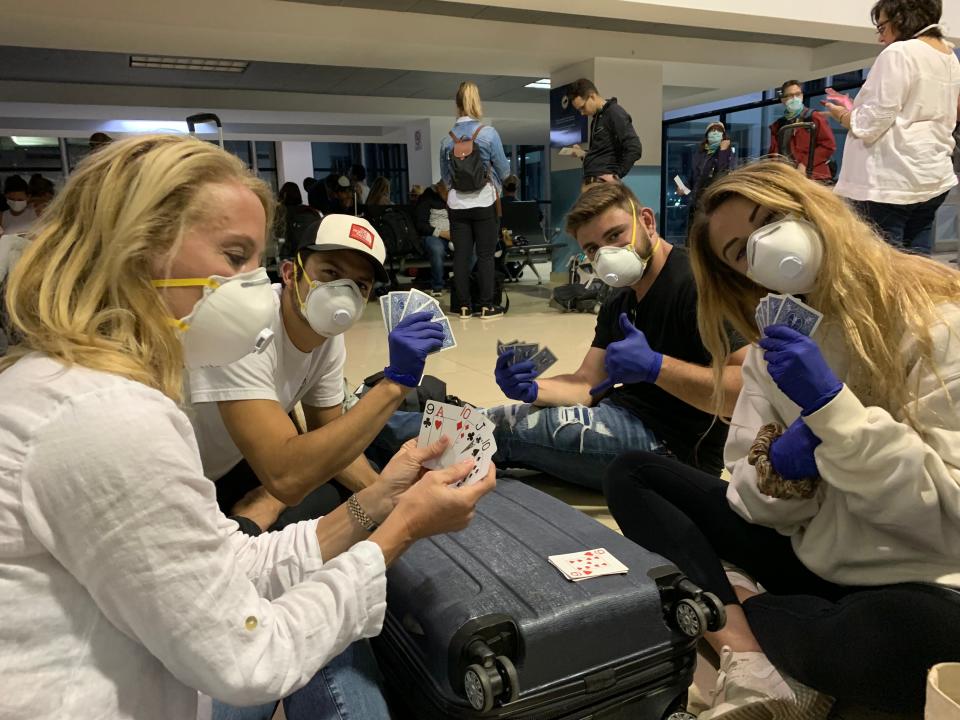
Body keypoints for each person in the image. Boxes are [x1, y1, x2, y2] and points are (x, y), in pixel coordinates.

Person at [0, 134, 495, 720]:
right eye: (234, 256)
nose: (250, 288)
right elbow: (247, 655)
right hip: (166, 660)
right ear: (135, 249)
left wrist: (387, 495)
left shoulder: (86, 388)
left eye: (253, 262)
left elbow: (231, 554)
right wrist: (399, 527)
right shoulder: (105, 416)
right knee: (308, 532)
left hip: (170, 606)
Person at [605, 159, 960, 717]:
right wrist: (783, 469)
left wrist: (835, 413)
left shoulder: (934, 318)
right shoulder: (773, 349)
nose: (767, 247)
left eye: (771, 218)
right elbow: (746, 494)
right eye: (741, 252)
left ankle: (739, 606)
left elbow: (945, 515)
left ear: (813, 207)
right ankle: (752, 657)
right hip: (815, 552)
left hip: (915, 572)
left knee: (909, 638)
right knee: (634, 474)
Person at [188, 213, 453, 720]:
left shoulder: (327, 338)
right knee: (310, 506)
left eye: (360, 284)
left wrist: (392, 497)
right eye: (330, 275)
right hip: (199, 487)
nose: (344, 294)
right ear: (291, 272)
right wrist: (393, 385)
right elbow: (286, 473)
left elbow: (331, 441)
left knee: (336, 504)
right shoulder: (243, 327)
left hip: (247, 464)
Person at [379, 184, 746, 488]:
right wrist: (534, 390)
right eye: (592, 249)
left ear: (646, 221)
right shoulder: (620, 296)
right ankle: (371, 425)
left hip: (673, 452)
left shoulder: (698, 284)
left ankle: (370, 436)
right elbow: (588, 383)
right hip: (619, 414)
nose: (607, 254)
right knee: (490, 418)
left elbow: (742, 393)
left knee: (495, 433)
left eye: (615, 236)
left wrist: (656, 367)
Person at [823, 0, 960, 255]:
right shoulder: (949, 56)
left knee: (882, 269)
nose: (880, 38)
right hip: (931, 175)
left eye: (882, 27)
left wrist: (843, 115)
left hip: (890, 182)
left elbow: (873, 123)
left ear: (902, 18)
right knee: (918, 266)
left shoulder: (899, 53)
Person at [440, 81, 510, 319]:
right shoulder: (488, 134)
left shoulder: (447, 141)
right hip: (485, 202)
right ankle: (486, 305)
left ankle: (463, 306)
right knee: (486, 255)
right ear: (477, 103)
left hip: (457, 205)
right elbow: (503, 169)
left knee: (461, 255)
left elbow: (446, 178)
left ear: (457, 105)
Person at [566, 78, 643, 191]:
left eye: (582, 107)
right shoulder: (597, 119)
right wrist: (583, 154)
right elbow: (603, 152)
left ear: (592, 96)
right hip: (592, 181)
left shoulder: (615, 113)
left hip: (603, 184)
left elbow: (635, 147)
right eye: (579, 110)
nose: (582, 113)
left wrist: (616, 176)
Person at [767, 80, 837, 182]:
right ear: (783, 99)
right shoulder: (779, 125)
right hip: (789, 178)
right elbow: (774, 153)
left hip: (815, 177)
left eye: (797, 94)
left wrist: (805, 164)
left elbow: (828, 145)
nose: (795, 98)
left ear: (802, 96)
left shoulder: (814, 117)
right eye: (790, 95)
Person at [682, 122, 735, 215]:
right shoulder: (700, 153)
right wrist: (684, 187)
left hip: (712, 203)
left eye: (718, 131)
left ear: (723, 136)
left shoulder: (727, 152)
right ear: (707, 136)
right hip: (696, 203)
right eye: (712, 130)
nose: (715, 133)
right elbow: (694, 175)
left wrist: (723, 151)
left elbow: (722, 173)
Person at [414, 180, 452, 297]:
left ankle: (464, 280)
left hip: (455, 234)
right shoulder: (427, 197)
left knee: (473, 247)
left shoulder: (456, 198)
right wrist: (442, 233)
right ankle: (437, 285)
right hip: (434, 235)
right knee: (436, 249)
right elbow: (421, 225)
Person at [276, 181, 321, 257]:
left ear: (284, 195)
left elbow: (278, 235)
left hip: (290, 255)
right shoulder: (312, 211)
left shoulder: (281, 213)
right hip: (311, 254)